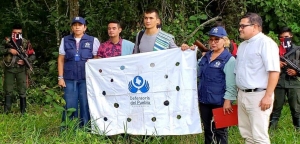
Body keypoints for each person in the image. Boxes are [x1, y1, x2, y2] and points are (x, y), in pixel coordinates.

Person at [235, 13, 280, 143]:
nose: (240, 29)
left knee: (259, 137)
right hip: (243, 95)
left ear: (255, 26)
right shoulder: (243, 45)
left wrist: (268, 96)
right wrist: (240, 94)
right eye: (240, 26)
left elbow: (274, 71)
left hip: (259, 96)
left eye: (243, 26)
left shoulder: (266, 43)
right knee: (247, 135)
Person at [57, 16, 100, 128]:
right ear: (72, 27)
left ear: (85, 27)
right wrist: (60, 77)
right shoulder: (65, 40)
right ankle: (69, 128)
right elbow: (61, 59)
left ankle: (86, 129)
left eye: (80, 25)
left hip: (86, 78)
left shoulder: (93, 40)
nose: (77, 27)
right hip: (69, 78)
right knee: (70, 104)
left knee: (86, 104)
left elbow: (97, 58)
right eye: (75, 25)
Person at [198, 26, 237, 144]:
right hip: (204, 100)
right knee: (208, 130)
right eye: (211, 39)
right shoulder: (206, 57)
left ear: (224, 41)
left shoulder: (229, 59)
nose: (213, 42)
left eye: (217, 39)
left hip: (220, 102)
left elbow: (231, 84)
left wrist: (228, 101)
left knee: (220, 131)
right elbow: (195, 71)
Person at [0, 24, 36, 114]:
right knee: (8, 90)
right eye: (15, 33)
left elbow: (33, 55)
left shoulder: (25, 42)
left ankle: (23, 112)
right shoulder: (7, 40)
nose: (17, 35)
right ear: (12, 32)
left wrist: (25, 61)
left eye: (19, 33)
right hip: (9, 69)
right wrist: (9, 50)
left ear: (21, 33)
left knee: (22, 91)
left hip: (21, 70)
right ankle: (6, 112)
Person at [269, 27, 300, 129]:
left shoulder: (298, 51)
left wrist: (296, 72)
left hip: (294, 83)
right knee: (276, 108)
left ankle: (298, 129)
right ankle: (272, 129)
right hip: (278, 82)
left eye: (286, 37)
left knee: (296, 108)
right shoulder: (275, 51)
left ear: (291, 36)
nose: (284, 40)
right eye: (281, 38)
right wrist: (276, 64)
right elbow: (266, 66)